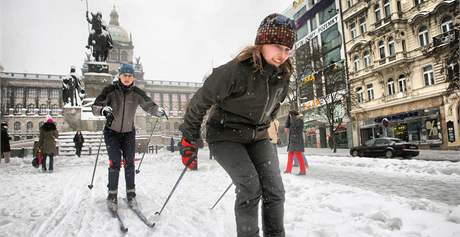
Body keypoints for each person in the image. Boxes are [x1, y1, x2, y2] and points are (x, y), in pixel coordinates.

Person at [179, 13, 295, 237]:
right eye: (277, 46)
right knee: (251, 188)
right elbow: (200, 101)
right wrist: (190, 136)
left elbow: (275, 104)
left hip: (258, 135)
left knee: (275, 191)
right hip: (225, 135)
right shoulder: (235, 71)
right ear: (261, 42)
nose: (282, 54)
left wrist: (266, 123)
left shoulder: (284, 74)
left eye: (287, 49)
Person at [91, 64, 166, 211]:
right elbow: (95, 107)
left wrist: (158, 111)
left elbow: (149, 105)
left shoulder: (137, 92)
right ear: (119, 76)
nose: (127, 78)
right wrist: (103, 110)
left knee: (130, 163)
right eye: (124, 75)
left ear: (133, 78)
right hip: (111, 132)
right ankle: (112, 195)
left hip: (128, 133)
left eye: (130, 76)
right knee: (115, 163)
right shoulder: (110, 90)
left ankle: (131, 194)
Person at [284, 110, 307, 175]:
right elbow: (287, 126)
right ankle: (288, 170)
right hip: (293, 141)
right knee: (290, 155)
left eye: (290, 115)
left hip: (296, 141)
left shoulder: (298, 120)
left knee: (298, 155)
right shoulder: (294, 120)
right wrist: (289, 117)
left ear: (293, 115)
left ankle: (303, 171)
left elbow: (294, 126)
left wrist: (290, 118)